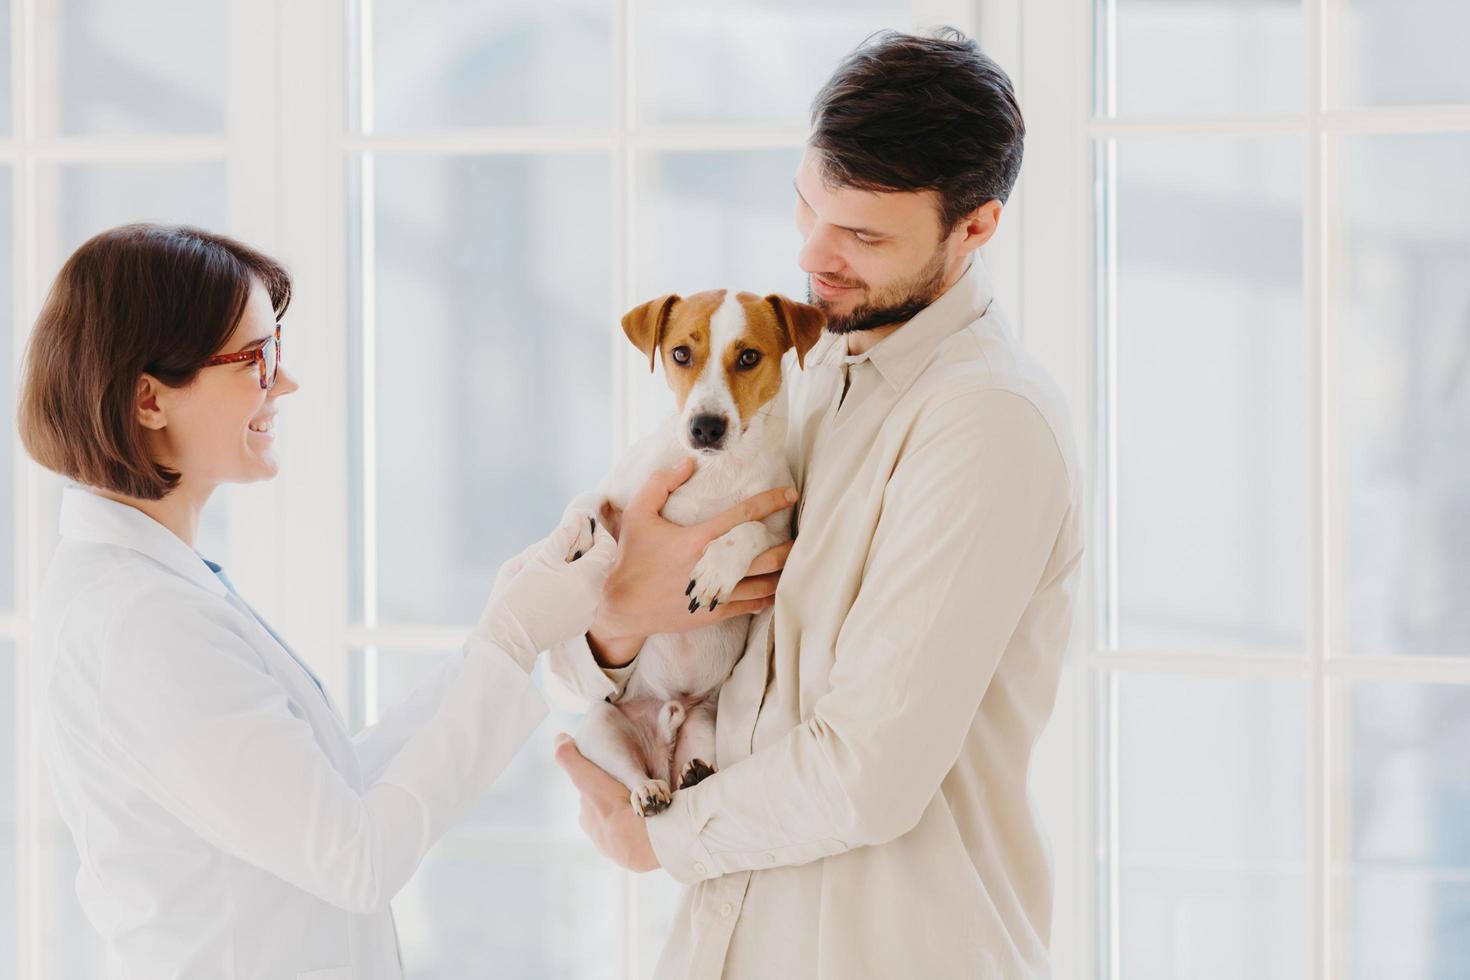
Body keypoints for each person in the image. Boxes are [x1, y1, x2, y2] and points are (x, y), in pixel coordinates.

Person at [17, 223, 792, 979]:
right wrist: (509, 644)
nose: (283, 381)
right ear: (151, 400)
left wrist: (501, 632)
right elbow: (354, 855)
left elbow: (340, 787)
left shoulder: (159, 589)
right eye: (255, 357)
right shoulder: (136, 623)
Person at [551, 29, 1084, 979]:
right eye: (807, 207)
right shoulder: (808, 364)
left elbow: (867, 774)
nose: (814, 256)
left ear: (976, 228)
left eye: (866, 236)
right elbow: (599, 597)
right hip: (736, 939)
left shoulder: (985, 427)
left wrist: (659, 840)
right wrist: (621, 627)